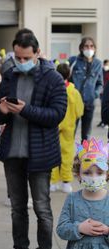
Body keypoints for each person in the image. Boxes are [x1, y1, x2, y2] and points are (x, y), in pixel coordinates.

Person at [0, 29, 67, 249]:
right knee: (17, 207)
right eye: (17, 57)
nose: (21, 62)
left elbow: (57, 114)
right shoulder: (9, 74)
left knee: (42, 207)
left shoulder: (52, 78)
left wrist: (25, 110)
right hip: (12, 153)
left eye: (26, 57)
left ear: (37, 53)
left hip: (41, 153)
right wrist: (1, 112)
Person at [56, 138, 109, 249]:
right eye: (87, 172)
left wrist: (107, 231)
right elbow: (61, 229)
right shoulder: (73, 199)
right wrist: (78, 228)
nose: (93, 177)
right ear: (78, 175)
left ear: (107, 174)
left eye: (99, 172)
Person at [50, 63, 84, 193]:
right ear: (69, 75)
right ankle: (66, 182)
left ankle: (53, 181)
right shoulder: (74, 92)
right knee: (67, 155)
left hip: (53, 126)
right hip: (69, 128)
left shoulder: (53, 89)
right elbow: (80, 111)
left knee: (52, 153)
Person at [69, 37, 103, 141]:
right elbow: (66, 78)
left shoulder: (98, 63)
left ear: (95, 48)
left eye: (91, 46)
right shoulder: (73, 61)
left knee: (86, 133)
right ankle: (68, 155)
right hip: (74, 102)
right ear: (81, 48)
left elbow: (100, 83)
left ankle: (83, 156)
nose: (89, 49)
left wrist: (95, 94)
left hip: (89, 103)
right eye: (86, 46)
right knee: (70, 131)